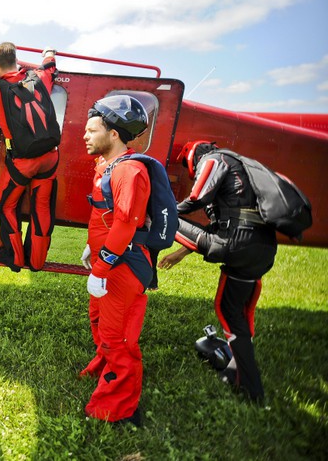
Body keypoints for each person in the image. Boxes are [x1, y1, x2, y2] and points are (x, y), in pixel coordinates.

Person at [159, 141, 277, 403]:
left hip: (236, 244)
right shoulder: (244, 171)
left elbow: (197, 199)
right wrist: (180, 253)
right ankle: (237, 368)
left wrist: (166, 211)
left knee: (228, 311)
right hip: (263, 247)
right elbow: (220, 226)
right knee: (238, 313)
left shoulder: (213, 159)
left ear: (193, 157)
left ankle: (251, 389)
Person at [80, 95, 151, 425]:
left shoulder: (129, 172)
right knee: (100, 323)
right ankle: (103, 366)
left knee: (119, 338)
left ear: (114, 134)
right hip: (105, 263)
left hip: (120, 268)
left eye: (92, 130)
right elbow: (103, 217)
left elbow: (125, 224)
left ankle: (118, 408)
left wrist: (102, 266)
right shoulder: (106, 169)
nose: (85, 136)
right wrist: (89, 249)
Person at [0, 42, 59, 272]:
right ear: (16, 60)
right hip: (50, 157)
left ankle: (14, 257)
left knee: (6, 205)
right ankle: (36, 261)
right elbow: (50, 65)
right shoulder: (39, 77)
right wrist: (48, 52)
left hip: (22, 162)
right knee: (42, 206)